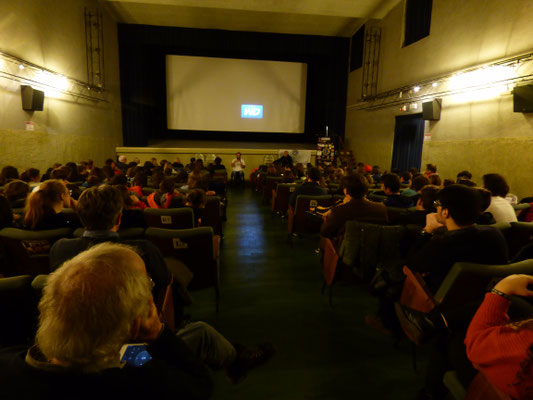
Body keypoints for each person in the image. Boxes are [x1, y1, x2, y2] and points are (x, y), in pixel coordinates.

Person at [0, 242, 213, 400]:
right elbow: (199, 385)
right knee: (201, 333)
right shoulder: (145, 381)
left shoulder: (7, 364)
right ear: (135, 326)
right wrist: (159, 334)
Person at [465, 274, 533, 399]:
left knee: (452, 342)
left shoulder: (527, 343)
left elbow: (476, 348)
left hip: (493, 385)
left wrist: (502, 289)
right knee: (517, 304)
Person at [321, 173, 388, 239]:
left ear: (345, 191)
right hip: (374, 246)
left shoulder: (339, 210)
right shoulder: (381, 208)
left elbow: (325, 232)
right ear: (366, 190)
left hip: (347, 248)